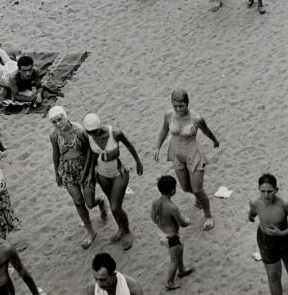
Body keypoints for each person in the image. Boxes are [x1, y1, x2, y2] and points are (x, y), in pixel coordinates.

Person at [154, 89, 219, 231]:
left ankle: (208, 215)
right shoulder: (169, 115)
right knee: (185, 187)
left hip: (193, 154)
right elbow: (164, 130)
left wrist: (214, 140)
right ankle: (198, 198)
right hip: (176, 153)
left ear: (187, 103)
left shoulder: (196, 118)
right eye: (175, 105)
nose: (178, 109)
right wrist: (158, 147)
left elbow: (206, 130)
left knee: (197, 189)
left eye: (181, 106)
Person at [48, 106, 108, 248]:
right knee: (78, 202)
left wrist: (87, 171)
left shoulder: (79, 131)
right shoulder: (54, 136)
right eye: (54, 122)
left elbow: (90, 151)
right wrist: (57, 173)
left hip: (84, 168)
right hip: (68, 170)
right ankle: (90, 231)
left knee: (89, 203)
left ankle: (100, 202)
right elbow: (56, 154)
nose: (58, 124)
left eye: (59, 119)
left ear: (65, 117)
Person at [82, 113, 144, 249]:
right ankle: (120, 229)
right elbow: (92, 156)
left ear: (99, 126)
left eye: (95, 131)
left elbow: (129, 146)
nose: (93, 134)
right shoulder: (90, 137)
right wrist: (90, 174)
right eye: (90, 132)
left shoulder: (115, 133)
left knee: (116, 206)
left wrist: (138, 162)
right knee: (112, 204)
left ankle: (127, 231)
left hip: (118, 172)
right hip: (102, 174)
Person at [248, 173, 288, 295]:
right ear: (258, 190)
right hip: (265, 239)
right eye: (262, 191)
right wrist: (250, 216)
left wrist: (282, 233)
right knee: (273, 275)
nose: (266, 195)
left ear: (276, 190)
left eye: (270, 191)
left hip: (285, 237)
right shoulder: (254, 202)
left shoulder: (285, 204)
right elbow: (252, 212)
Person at [151, 174, 195, 291]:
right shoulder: (172, 207)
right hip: (172, 237)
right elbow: (182, 223)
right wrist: (189, 222)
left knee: (179, 250)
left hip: (162, 232)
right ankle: (169, 283)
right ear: (173, 190)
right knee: (174, 259)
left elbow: (152, 217)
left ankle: (182, 270)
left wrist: (161, 223)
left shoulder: (156, 202)